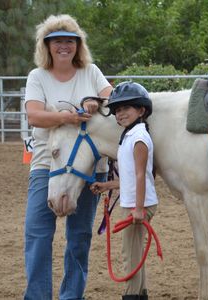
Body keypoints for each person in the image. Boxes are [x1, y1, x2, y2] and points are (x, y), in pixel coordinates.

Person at [23, 14, 112, 300]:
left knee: (79, 236)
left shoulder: (91, 72)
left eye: (69, 41)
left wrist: (94, 101)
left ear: (78, 44)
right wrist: (65, 117)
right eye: (57, 41)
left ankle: (72, 295)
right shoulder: (38, 77)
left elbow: (113, 98)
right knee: (37, 233)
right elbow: (34, 115)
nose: (64, 46)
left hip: (89, 165)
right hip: (47, 163)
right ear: (46, 46)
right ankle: (37, 296)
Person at [91, 81, 158, 300]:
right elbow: (130, 178)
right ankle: (141, 294)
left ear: (141, 110)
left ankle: (132, 296)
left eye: (125, 109)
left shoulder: (138, 138)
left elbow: (140, 176)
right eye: (117, 110)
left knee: (130, 255)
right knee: (135, 253)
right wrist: (107, 186)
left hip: (137, 205)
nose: (120, 114)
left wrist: (138, 209)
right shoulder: (130, 136)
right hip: (135, 202)